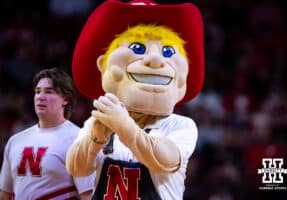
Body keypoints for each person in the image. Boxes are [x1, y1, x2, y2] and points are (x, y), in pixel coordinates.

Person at [66, 0, 204, 199]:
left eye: (167, 52)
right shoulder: (99, 121)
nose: (156, 60)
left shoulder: (181, 125)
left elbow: (165, 161)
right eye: (138, 48)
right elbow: (76, 169)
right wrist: (94, 140)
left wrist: (124, 126)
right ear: (103, 65)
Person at [0, 68, 95, 200]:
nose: (40, 97)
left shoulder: (79, 139)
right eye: (38, 91)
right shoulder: (15, 140)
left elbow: (88, 195)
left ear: (65, 99)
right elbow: (5, 195)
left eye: (49, 92)